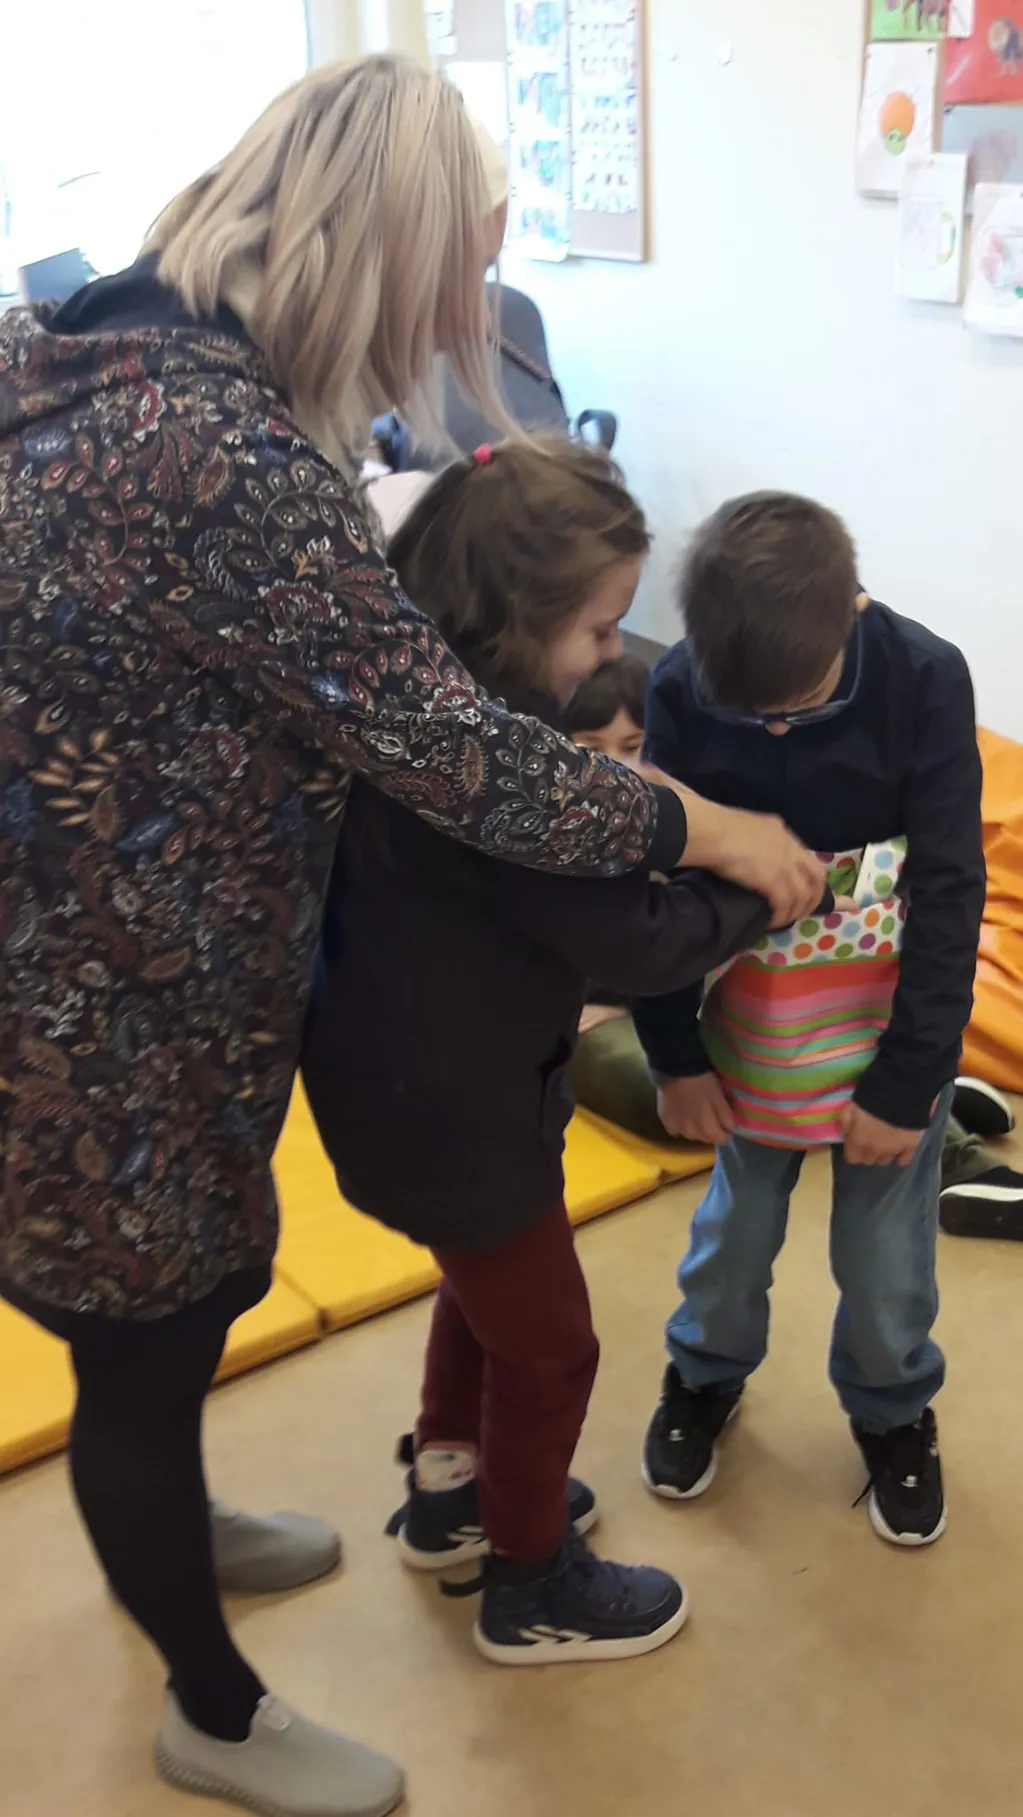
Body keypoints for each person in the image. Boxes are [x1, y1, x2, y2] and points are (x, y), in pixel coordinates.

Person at [0, 60, 828, 1817]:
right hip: (92, 998)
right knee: (142, 1333)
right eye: (459, 276)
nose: (456, 326)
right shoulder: (219, 452)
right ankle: (211, 1706)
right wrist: (714, 831)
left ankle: (174, 1508)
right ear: (381, 248)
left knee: (168, 1321)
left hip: (158, 965)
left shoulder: (96, 354)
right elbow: (467, 765)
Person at [301, 439, 778, 1667]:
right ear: (519, 618)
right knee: (556, 1346)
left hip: (395, 1094)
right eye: (602, 628)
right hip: (462, 1117)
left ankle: (452, 1487)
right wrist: (758, 889)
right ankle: (531, 1577)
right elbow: (638, 943)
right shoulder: (510, 784)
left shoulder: (410, 716)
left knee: (485, 1295)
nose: (614, 650)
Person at [631, 492, 985, 1550]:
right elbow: (653, 881)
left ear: (851, 610)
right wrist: (673, 1055)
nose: (774, 728)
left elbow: (952, 890)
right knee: (732, 1234)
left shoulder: (925, 677)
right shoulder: (681, 684)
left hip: (887, 1034)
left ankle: (893, 1408)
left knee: (884, 1261)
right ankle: (702, 1374)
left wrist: (909, 1080)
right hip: (753, 1035)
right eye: (750, 713)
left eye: (797, 704)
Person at [565, 660, 1023, 1223]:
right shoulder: (553, 833)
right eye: (591, 749)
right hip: (599, 1014)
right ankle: (926, 1099)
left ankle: (942, 1122)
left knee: (806, 1037)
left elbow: (697, 926)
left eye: (634, 747)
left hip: (697, 994)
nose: (618, 768)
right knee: (681, 1096)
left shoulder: (681, 816)